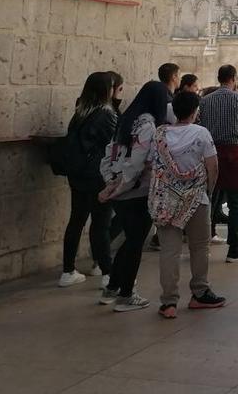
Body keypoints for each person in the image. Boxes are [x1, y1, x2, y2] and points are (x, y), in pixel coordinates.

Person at [147, 90, 226, 318]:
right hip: (196, 199)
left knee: (169, 251)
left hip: (166, 201)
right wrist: (209, 191)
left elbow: (154, 164)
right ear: (194, 111)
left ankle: (169, 302)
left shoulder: (160, 134)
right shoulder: (201, 133)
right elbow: (213, 166)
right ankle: (200, 292)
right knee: (199, 247)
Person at [99, 79, 166, 311]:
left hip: (122, 190)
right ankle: (126, 294)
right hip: (137, 192)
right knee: (135, 243)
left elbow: (109, 154)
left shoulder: (126, 120)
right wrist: (121, 186)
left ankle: (113, 286)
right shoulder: (148, 125)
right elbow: (137, 162)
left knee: (130, 241)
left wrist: (110, 183)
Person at [59, 72, 118, 288]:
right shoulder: (106, 114)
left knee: (76, 220)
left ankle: (67, 270)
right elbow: (114, 143)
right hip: (98, 175)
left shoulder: (80, 112)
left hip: (78, 174)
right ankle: (108, 274)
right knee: (101, 224)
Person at [197, 64, 238, 263]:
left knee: (210, 198)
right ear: (234, 78)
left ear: (218, 78)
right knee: (236, 201)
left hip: (211, 151)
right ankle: (234, 248)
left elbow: (201, 124)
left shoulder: (205, 100)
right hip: (235, 151)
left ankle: (204, 243)